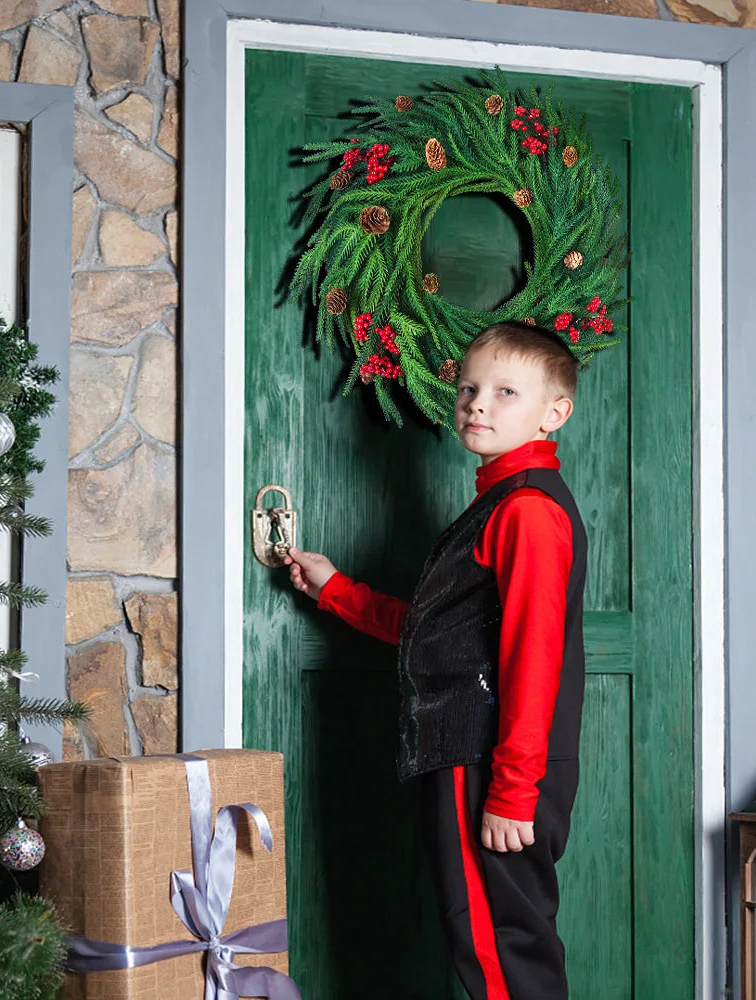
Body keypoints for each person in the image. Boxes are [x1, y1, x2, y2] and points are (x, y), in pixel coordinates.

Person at [284, 322, 587, 1000]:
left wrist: (512, 791)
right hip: (474, 757)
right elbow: (442, 635)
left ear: (554, 413)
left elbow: (534, 658)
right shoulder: (497, 503)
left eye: (506, 392)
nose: (478, 403)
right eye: (469, 388)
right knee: (493, 942)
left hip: (489, 762)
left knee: (499, 948)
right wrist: (336, 591)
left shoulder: (527, 511)